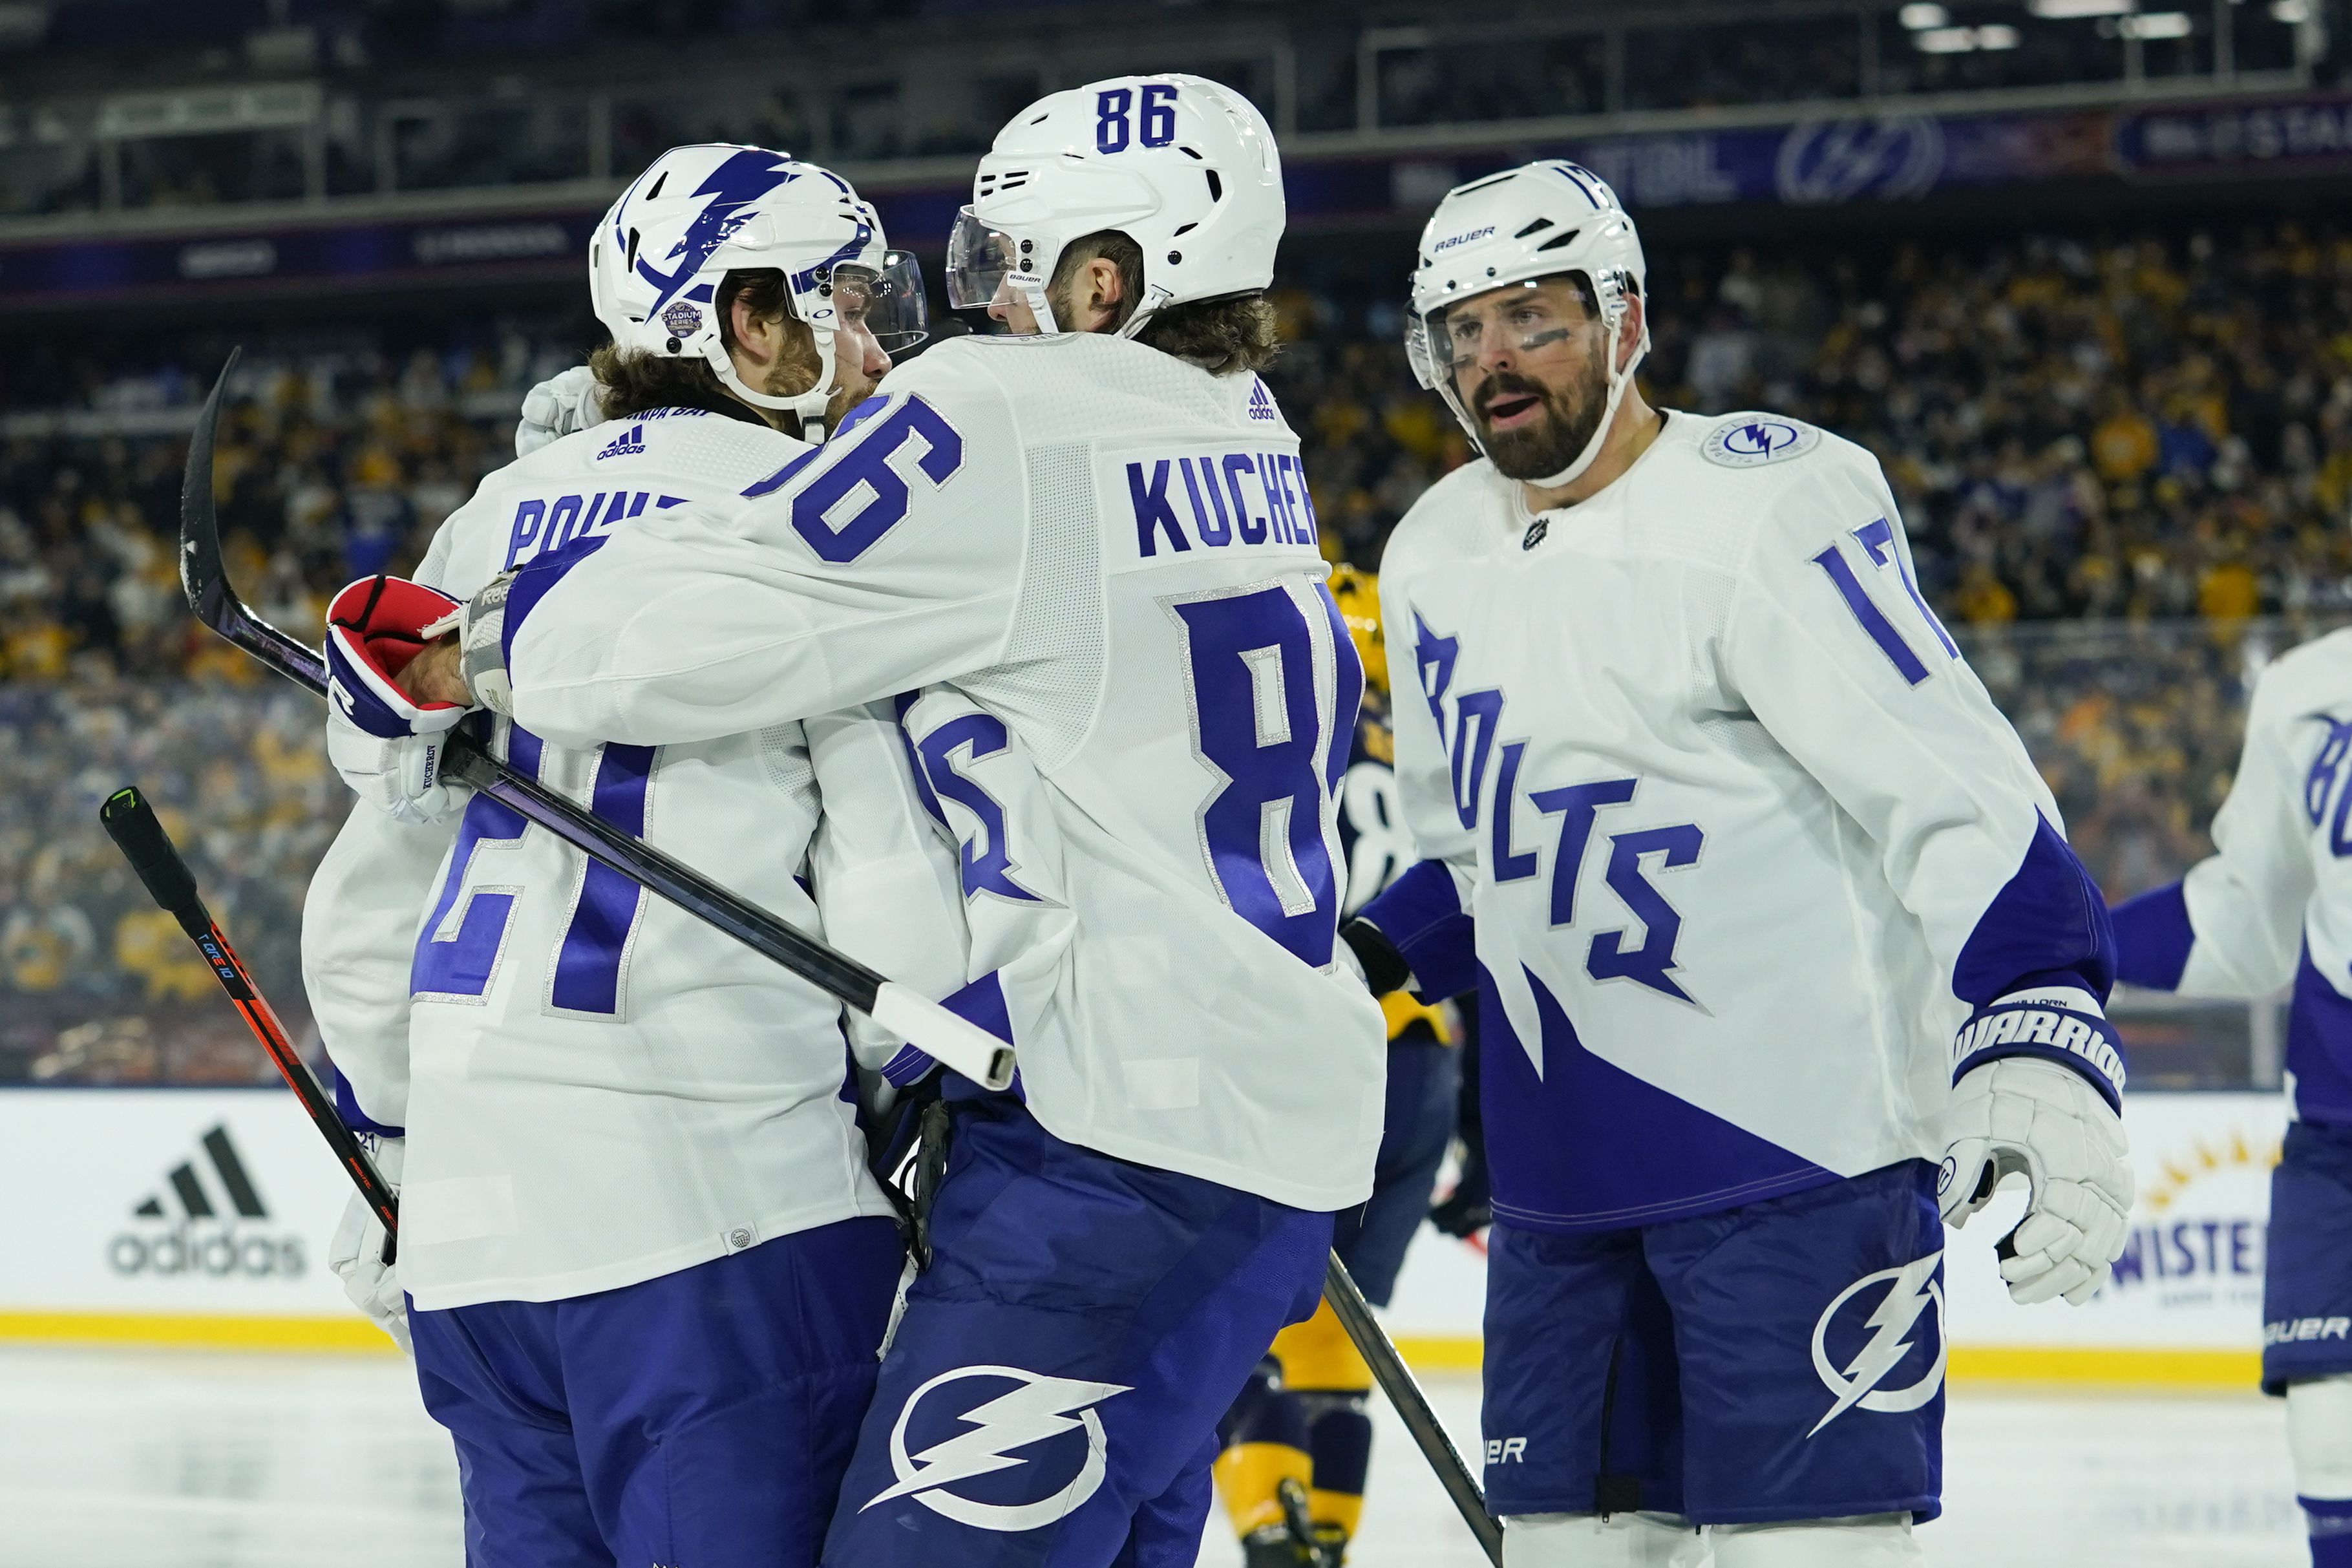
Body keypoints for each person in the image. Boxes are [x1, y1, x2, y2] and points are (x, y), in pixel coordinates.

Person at [325, 76, 1387, 1568]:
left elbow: (674, 634)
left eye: (997, 271)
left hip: (1103, 1150)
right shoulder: (1249, 433)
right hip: (1254, 1120)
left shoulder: (1004, 419)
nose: (932, 332)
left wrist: (471, 637)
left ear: (1107, 278)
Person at [1339, 160, 2134, 1567]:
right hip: (1555, 1190)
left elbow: (1949, 780)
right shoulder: (1428, 550)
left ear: (1625, 319)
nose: (1492, 361)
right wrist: (1349, 969)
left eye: (1531, 316)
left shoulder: (1766, 501)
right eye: (1459, 331)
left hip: (1797, 1169)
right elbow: (1470, 861)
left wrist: (2041, 1017)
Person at [306, 143, 967, 1567]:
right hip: (724, 1209)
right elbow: (895, 896)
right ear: (747, 319)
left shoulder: (489, 515)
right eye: (842, 302)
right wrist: (919, 1085)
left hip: (480, 1238)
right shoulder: (824, 509)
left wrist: (398, 1139)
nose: (869, 342)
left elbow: (369, 900)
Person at [1211, 562, 1467, 1568]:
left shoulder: (1263, 738)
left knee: (1238, 1329)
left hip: (1298, 1051)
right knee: (1343, 1346)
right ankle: (1326, 1554)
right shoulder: (1437, 758)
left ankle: (1277, 1541)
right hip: (1423, 1069)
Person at [2108, 632, 2352, 1568]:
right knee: (2329, 1414)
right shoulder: (2305, 690)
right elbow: (2244, 919)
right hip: (2339, 1126)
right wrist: (2079, 944)